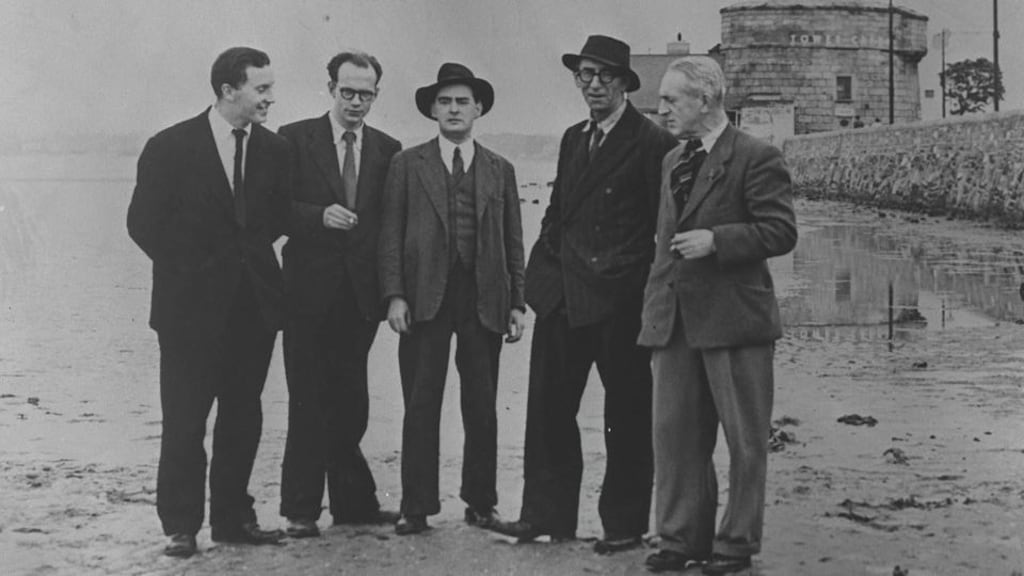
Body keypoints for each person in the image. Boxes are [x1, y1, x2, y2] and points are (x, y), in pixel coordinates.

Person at [488, 35, 677, 554]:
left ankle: (624, 525)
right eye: (585, 75)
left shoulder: (652, 142)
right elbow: (558, 211)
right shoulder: (574, 137)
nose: (594, 85)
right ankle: (545, 517)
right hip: (563, 300)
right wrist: (537, 281)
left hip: (620, 301)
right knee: (547, 410)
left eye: (605, 76)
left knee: (628, 414)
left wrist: (640, 290)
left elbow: (664, 227)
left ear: (624, 83)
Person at [127, 46, 291, 558]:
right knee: (185, 419)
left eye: (270, 87)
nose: (270, 97)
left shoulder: (275, 150)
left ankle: (232, 519)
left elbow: (276, 218)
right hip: (188, 314)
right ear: (227, 90)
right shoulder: (170, 146)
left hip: (255, 310)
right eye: (261, 88)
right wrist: (197, 273)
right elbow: (143, 224)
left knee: (243, 415)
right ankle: (180, 525)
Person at [638, 56, 797, 575]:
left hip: (735, 321)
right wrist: (653, 313)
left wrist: (717, 241)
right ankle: (680, 539)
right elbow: (663, 243)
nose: (661, 110)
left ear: (704, 101)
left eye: (670, 101)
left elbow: (780, 231)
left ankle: (735, 546)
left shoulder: (757, 156)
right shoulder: (672, 161)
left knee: (745, 441)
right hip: (676, 320)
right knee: (674, 436)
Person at [378, 62, 526, 535]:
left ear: (478, 108)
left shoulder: (500, 169)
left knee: (481, 405)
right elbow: (389, 236)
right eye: (445, 101)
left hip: (484, 299)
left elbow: (513, 241)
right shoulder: (406, 164)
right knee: (421, 402)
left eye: (463, 101)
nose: (454, 109)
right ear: (432, 111)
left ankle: (481, 502)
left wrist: (517, 303)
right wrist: (395, 296)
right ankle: (415, 506)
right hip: (424, 299)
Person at [276, 51, 402, 538]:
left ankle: (353, 505)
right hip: (306, 293)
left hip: (359, 297)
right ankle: (300, 509)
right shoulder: (292, 139)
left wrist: (393, 293)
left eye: (365, 94)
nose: (355, 102)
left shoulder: (388, 148)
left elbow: (391, 225)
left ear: (376, 95)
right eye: (347, 92)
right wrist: (316, 216)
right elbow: (273, 210)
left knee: (351, 401)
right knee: (307, 399)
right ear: (330, 87)